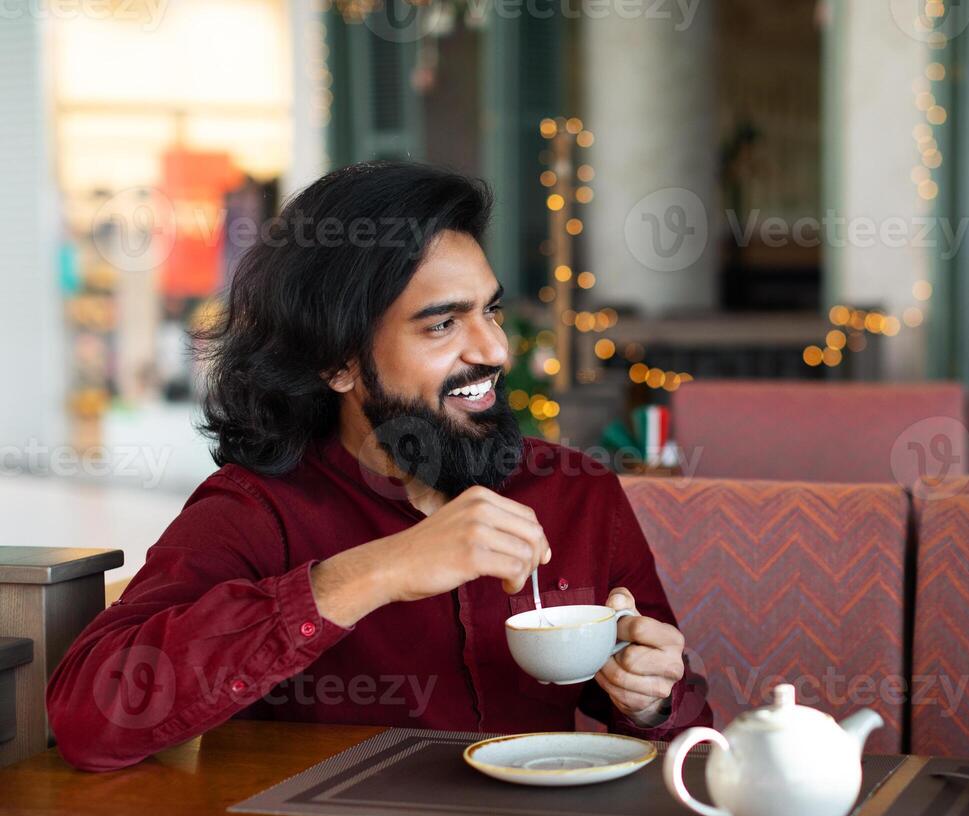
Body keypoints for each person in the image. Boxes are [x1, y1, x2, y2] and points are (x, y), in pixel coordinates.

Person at [48, 161, 711, 771]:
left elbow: (689, 741)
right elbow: (88, 715)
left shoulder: (575, 494)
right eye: (442, 325)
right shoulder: (258, 509)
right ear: (335, 362)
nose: (494, 349)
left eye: (490, 311)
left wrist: (648, 698)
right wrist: (375, 572)